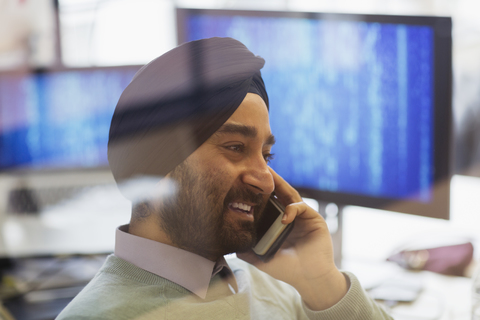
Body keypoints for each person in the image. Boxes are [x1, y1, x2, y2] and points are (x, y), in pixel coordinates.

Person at [57, 37, 392, 319]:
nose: (266, 179)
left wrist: (322, 283)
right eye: (235, 147)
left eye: (266, 154)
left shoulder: (277, 282)